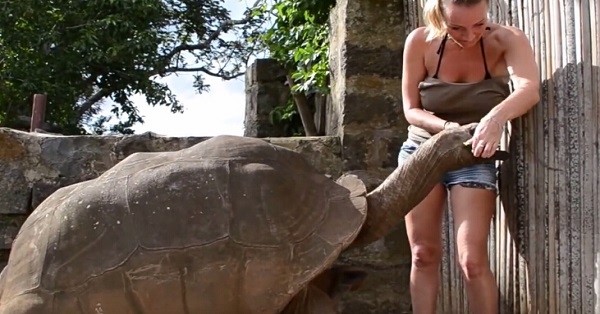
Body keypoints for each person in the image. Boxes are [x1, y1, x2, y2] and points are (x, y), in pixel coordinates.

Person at [399, 0, 540, 313]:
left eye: (478, 24)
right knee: (423, 254)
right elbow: (411, 110)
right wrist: (450, 129)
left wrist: (494, 119)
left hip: (474, 156)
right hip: (422, 152)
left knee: (471, 260)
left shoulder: (507, 40)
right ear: (439, 15)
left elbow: (529, 89)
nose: (470, 34)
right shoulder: (420, 42)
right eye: (457, 27)